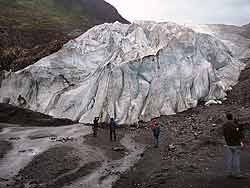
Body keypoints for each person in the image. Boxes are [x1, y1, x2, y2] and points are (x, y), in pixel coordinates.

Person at [223, 112, 244, 178]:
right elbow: (238, 134)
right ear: (232, 117)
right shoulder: (235, 125)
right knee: (236, 159)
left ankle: (229, 173)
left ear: (227, 117)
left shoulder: (224, 125)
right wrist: (240, 141)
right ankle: (237, 174)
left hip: (228, 143)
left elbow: (224, 134)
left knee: (229, 159)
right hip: (235, 143)